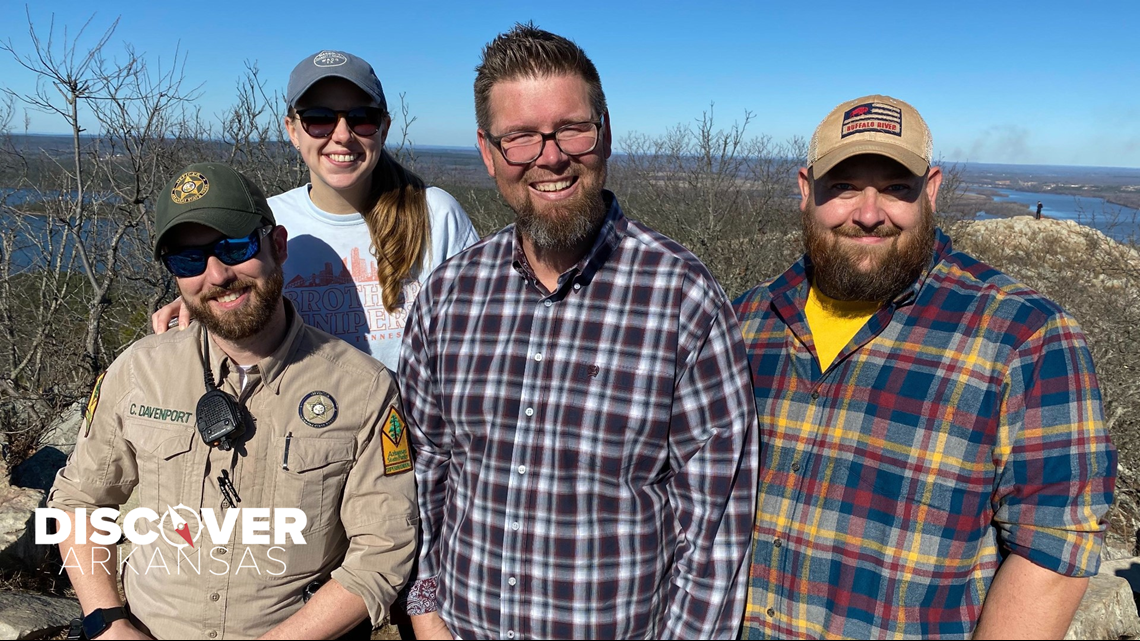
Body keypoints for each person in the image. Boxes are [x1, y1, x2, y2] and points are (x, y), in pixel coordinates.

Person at [398, 24, 759, 640]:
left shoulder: (683, 299)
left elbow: (715, 533)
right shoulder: (447, 297)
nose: (551, 155)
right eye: (520, 138)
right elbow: (423, 471)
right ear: (488, 153)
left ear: (606, 132)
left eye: (571, 128)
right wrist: (426, 616)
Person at [733, 95, 1117, 639]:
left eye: (895, 188)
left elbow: (1051, 551)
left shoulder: (1023, 338)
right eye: (843, 187)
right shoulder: (745, 322)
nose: (868, 213)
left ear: (931, 190)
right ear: (805, 190)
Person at [49, 163, 418, 639]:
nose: (217, 274)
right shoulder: (138, 372)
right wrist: (107, 622)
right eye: (189, 260)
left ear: (277, 246)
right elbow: (81, 501)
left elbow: (383, 549)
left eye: (235, 247)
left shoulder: (363, 390)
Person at [153, 50, 479, 372]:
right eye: (318, 119)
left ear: (384, 128)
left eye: (362, 118)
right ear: (292, 130)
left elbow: (476, 338)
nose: (341, 135)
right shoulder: (268, 222)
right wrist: (210, 305)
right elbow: (228, 286)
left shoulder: (435, 215)